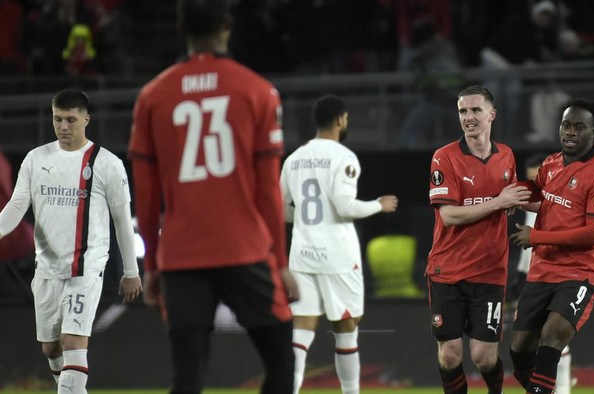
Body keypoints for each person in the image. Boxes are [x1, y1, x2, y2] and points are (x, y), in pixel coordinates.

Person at [128, 0, 298, 393]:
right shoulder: (257, 90)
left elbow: (147, 195)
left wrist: (152, 263)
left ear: (181, 29)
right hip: (246, 252)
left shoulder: (152, 97)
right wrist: (281, 263)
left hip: (181, 256)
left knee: (188, 378)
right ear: (226, 25)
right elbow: (268, 191)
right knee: (281, 361)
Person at [0, 88, 142, 393]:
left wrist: (131, 271)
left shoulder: (107, 164)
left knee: (73, 342)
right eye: (57, 119)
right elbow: (15, 207)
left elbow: (122, 220)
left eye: (71, 120)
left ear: (86, 119)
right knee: (51, 349)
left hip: (85, 268)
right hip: (47, 270)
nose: (63, 126)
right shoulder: (36, 159)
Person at [280, 94, 398, 394]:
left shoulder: (293, 159)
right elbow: (345, 207)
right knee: (346, 330)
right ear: (340, 119)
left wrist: (306, 219)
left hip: (302, 256)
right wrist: (378, 205)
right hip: (337, 257)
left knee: (300, 333)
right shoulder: (343, 157)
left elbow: (280, 209)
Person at [509, 98, 594, 394]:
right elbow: (537, 191)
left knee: (552, 336)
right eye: (566, 125)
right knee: (519, 350)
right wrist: (510, 196)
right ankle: (541, 388)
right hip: (543, 269)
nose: (570, 132)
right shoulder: (552, 162)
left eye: (579, 127)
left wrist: (536, 237)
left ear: (592, 133)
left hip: (580, 272)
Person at [426, 85, 531, 394]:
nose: (468, 117)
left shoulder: (506, 156)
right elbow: (449, 216)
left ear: (491, 114)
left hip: (490, 271)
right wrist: (499, 202)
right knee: (451, 353)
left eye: (475, 110)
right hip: (447, 270)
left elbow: (510, 200)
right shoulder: (445, 158)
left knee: (484, 357)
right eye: (462, 111)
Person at [509, 152, 575, 394]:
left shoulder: (562, 202)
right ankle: (545, 387)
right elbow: (528, 247)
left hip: (559, 273)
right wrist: (518, 275)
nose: (533, 187)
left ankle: (563, 388)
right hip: (531, 276)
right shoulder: (533, 204)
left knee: (552, 337)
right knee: (527, 343)